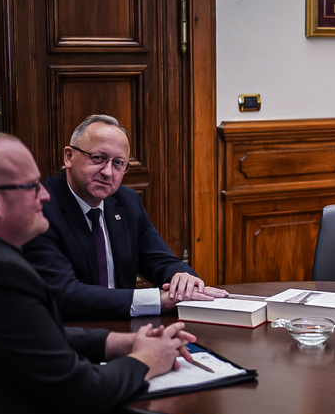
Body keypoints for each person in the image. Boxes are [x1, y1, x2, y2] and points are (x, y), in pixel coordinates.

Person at [0, 132, 198, 414]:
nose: (42, 194)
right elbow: (81, 389)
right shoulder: (0, 272)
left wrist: (114, 343)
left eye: (119, 164)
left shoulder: (0, 258)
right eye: (31, 186)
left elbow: (31, 339)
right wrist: (146, 359)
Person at [23, 114, 227, 320]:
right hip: (67, 332)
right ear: (69, 156)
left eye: (118, 163)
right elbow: (65, 294)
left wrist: (181, 277)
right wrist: (158, 300)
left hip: (124, 325)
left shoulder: (126, 201)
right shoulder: (40, 209)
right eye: (98, 158)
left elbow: (159, 260)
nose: (108, 172)